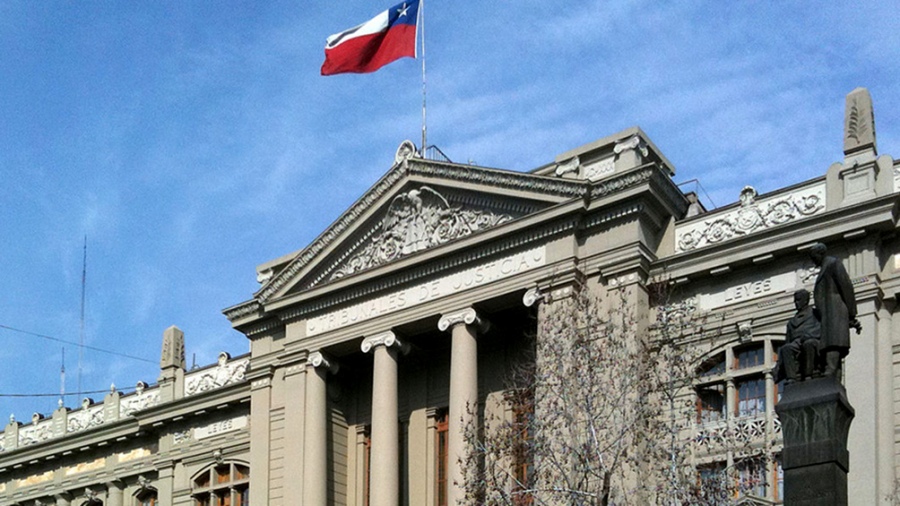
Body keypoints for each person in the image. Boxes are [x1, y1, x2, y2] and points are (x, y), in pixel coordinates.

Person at [809, 243, 862, 380]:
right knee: (830, 341)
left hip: (835, 310)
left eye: (813, 256)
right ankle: (834, 375)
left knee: (833, 340)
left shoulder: (833, 263)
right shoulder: (826, 266)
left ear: (819, 253)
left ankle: (830, 369)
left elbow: (846, 287)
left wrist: (851, 314)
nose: (812, 260)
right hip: (828, 312)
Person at [775, 290, 821, 383]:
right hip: (796, 344)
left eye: (799, 300)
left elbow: (821, 328)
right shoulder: (791, 322)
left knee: (808, 343)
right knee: (786, 348)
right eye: (795, 301)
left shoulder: (815, 314)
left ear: (805, 300)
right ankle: (791, 378)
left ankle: (808, 375)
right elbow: (788, 340)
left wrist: (808, 335)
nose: (796, 303)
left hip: (813, 341)